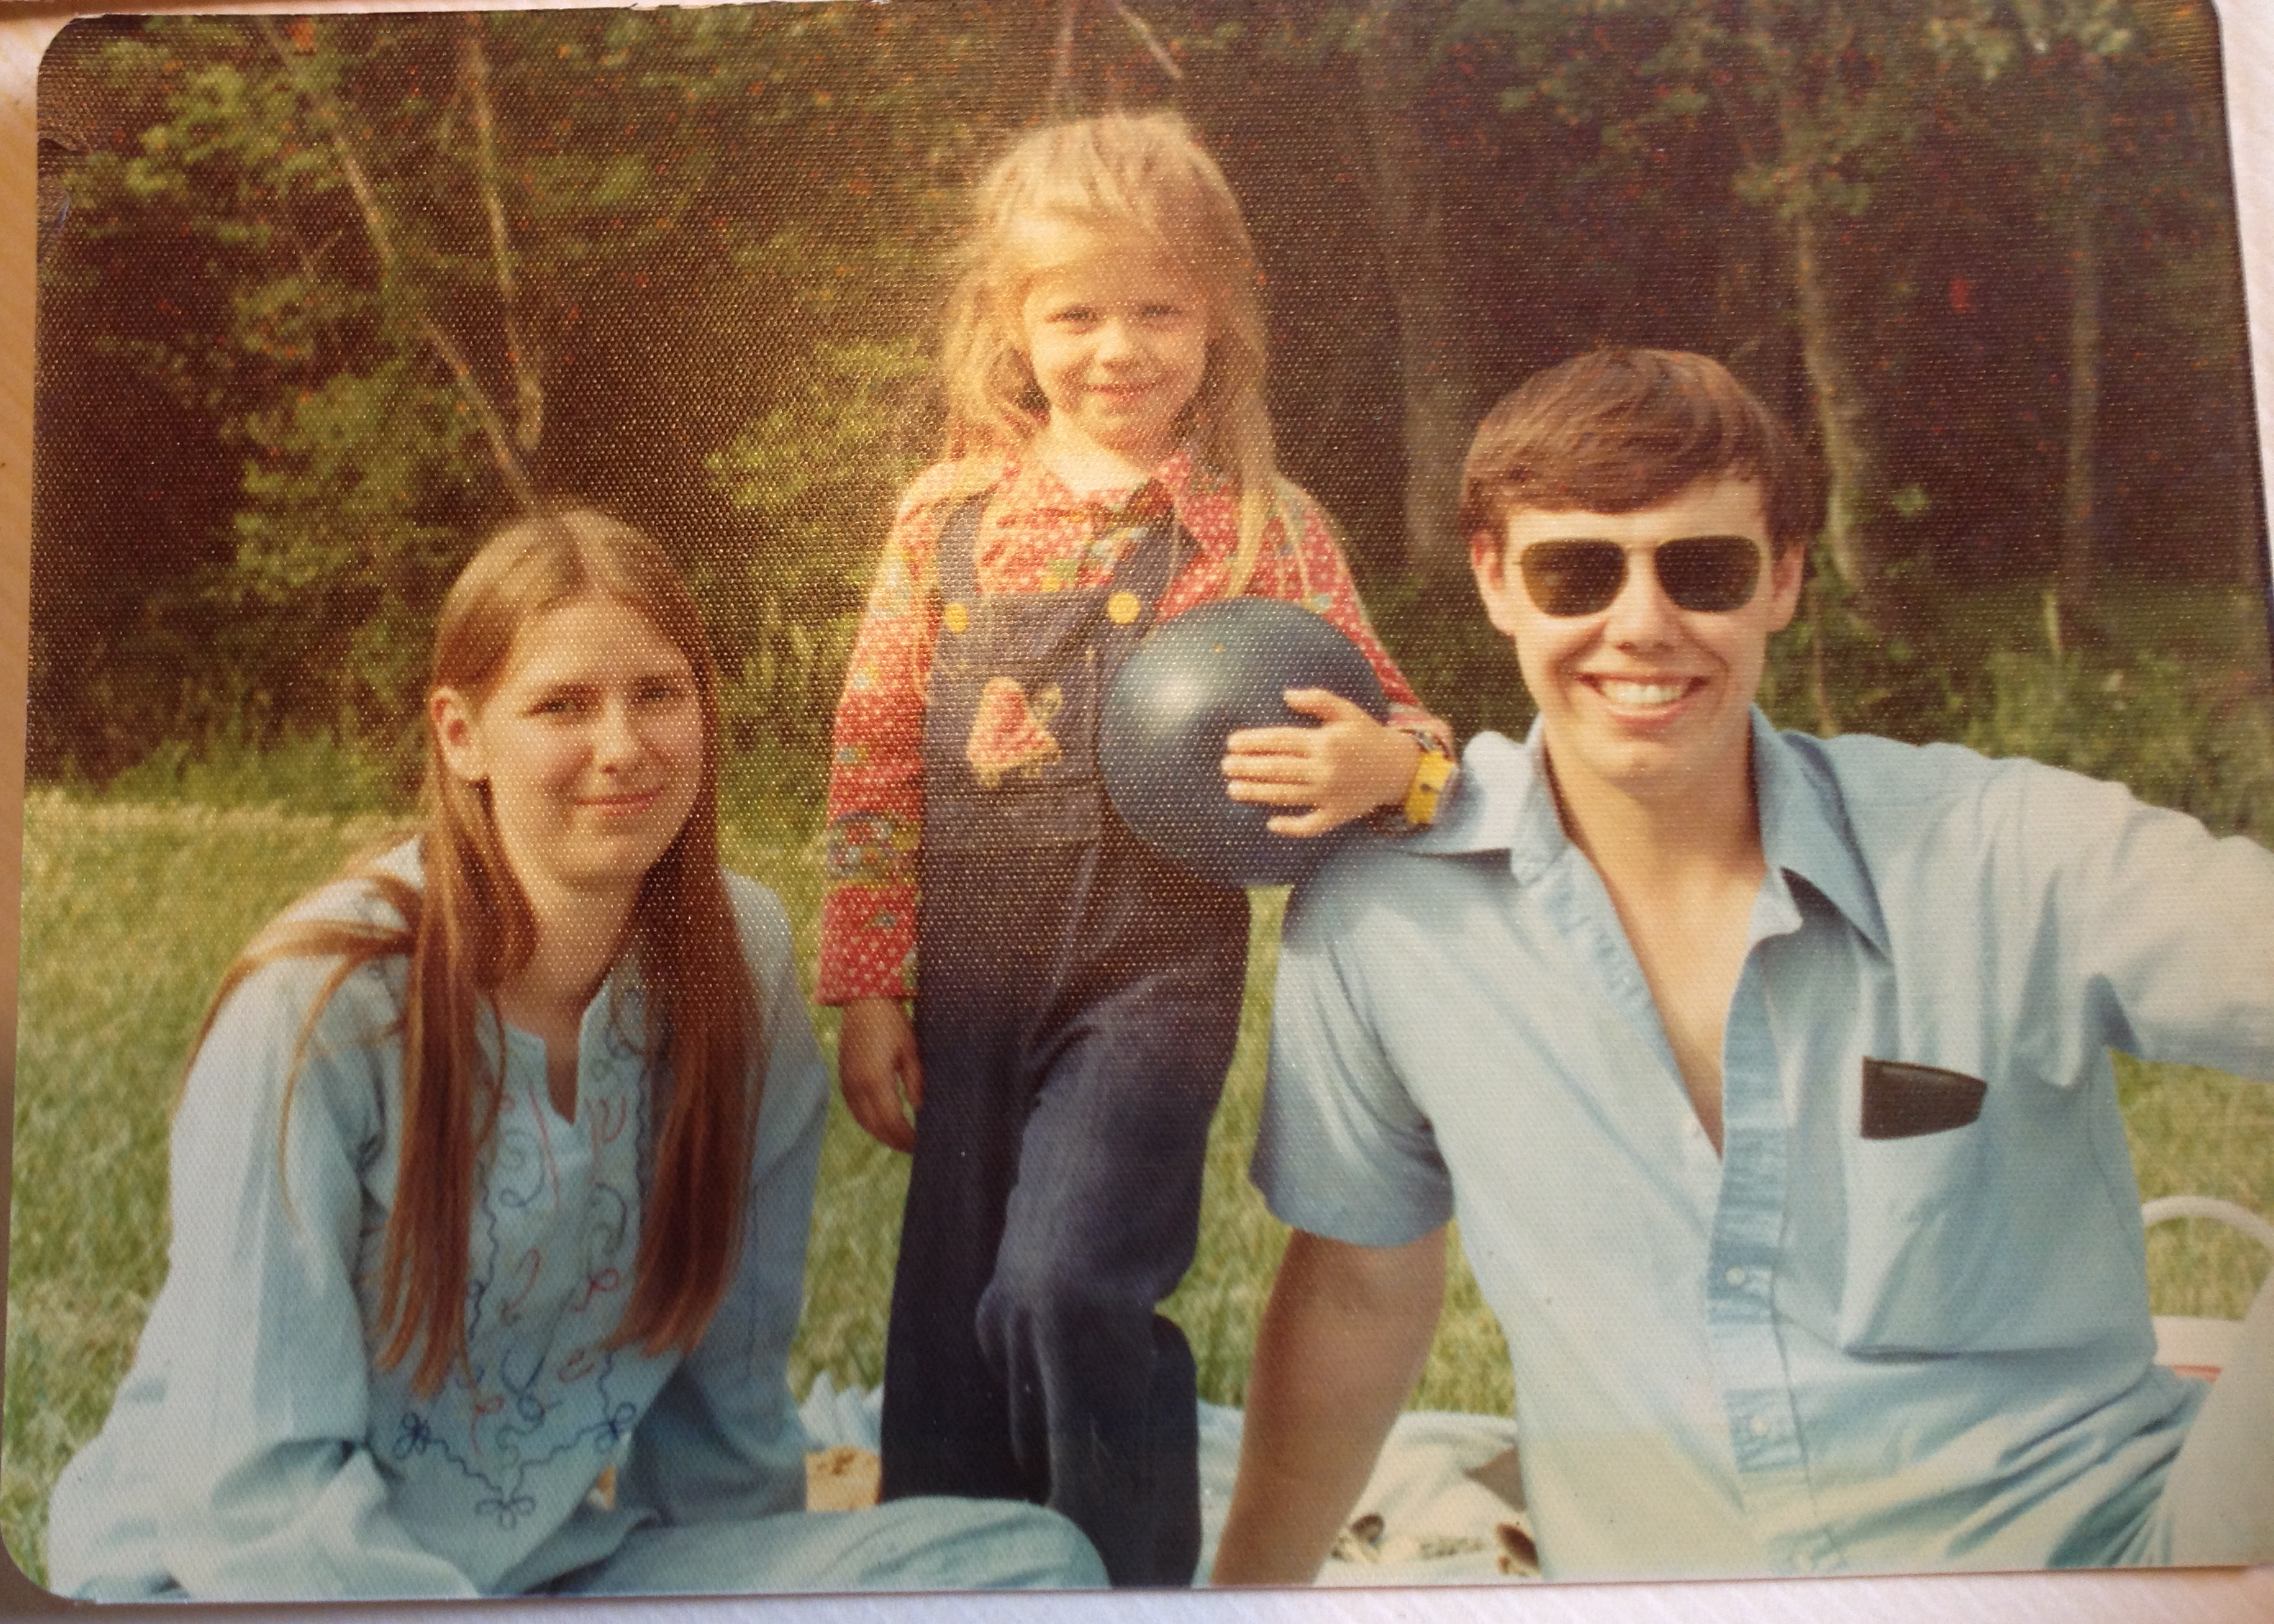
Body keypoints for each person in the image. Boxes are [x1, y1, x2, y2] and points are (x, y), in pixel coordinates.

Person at [1213, 348, 2274, 1582]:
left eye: (1702, 570)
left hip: (2090, 1573)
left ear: (1783, 578)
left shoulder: (2005, 851)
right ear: (1496, 579)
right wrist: (1239, 1607)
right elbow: (1357, 1287)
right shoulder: (1382, 921)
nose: (1640, 624)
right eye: (1578, 572)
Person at [44, 510, 1105, 1600]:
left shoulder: (738, 964)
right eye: (562, 705)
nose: (623, 746)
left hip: (550, 1573)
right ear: (461, 734)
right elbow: (247, 1499)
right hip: (243, 1582)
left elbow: (724, 1429)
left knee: (1034, 1570)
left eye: (659, 693)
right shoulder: (318, 1009)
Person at [819, 111, 1452, 1587]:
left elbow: (1406, 723)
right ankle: (955, 1581)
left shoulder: (1262, 529)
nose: (1120, 348)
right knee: (952, 1321)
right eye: (1077, 313)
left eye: (1160, 309)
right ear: (1011, 322)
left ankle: (1133, 1582)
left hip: (1152, 982)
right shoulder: (945, 521)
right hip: (969, 980)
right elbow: (874, 753)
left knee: (1063, 1286)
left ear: (1217, 314)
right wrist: (867, 981)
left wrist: (1386, 766)